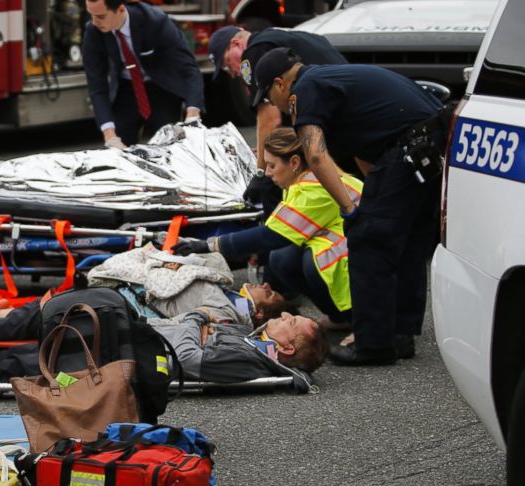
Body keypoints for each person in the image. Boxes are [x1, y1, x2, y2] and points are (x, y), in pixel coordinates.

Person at [249, 47, 448, 366]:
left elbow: (314, 154)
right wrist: (375, 200)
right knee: (409, 240)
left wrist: (351, 210)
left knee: (368, 241)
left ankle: (373, 345)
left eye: (271, 97)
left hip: (410, 149)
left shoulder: (306, 90)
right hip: (431, 145)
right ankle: (399, 333)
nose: (275, 105)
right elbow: (365, 150)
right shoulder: (333, 79)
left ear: (281, 84)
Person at [166, 127, 361, 330]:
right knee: (282, 258)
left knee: (312, 264)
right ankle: (339, 317)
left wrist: (210, 245)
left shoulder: (314, 188)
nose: (267, 173)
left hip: (366, 246)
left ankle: (357, 318)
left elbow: (272, 235)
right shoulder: (304, 180)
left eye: (271, 166)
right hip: (349, 236)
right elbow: (279, 228)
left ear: (294, 163)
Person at [0, 309, 328, 392]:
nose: (282, 316)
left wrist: (194, 322)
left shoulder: (250, 358)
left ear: (285, 348)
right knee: (46, 329)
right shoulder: (251, 342)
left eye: (290, 322)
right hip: (131, 342)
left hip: (127, 363)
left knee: (27, 364)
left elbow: (188, 360)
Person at [0, 274, 298, 343]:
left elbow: (181, 323)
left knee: (44, 318)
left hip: (132, 313)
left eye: (271, 297)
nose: (263, 286)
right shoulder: (228, 292)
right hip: (130, 296)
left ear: (259, 314)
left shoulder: (231, 316)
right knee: (45, 307)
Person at [207, 25, 347, 211]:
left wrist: (261, 171)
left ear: (236, 44)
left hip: (331, 120)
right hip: (346, 111)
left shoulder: (254, 52)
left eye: (226, 64)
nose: (232, 73)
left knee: (272, 183)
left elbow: (270, 119)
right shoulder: (288, 36)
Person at [82, 0, 204, 148]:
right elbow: (96, 85)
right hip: (126, 89)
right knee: (116, 153)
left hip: (161, 88)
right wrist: (110, 135)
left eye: (100, 16)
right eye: (91, 15)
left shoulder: (156, 21)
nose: (94, 22)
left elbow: (188, 68)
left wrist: (193, 113)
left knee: (169, 149)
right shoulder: (93, 31)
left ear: (121, 10)